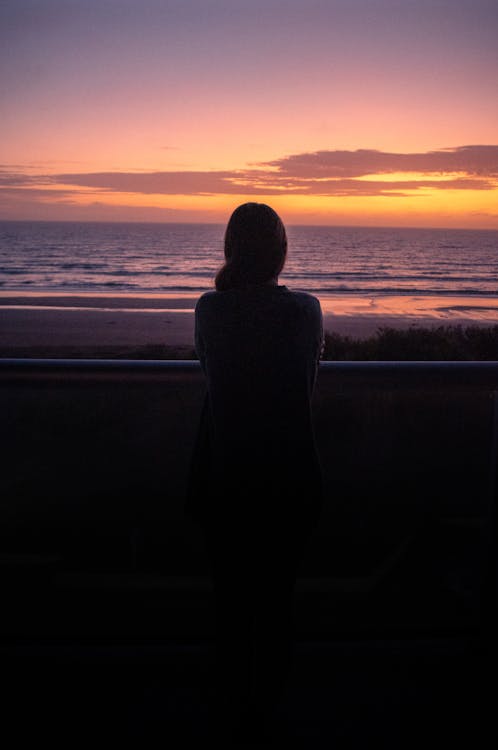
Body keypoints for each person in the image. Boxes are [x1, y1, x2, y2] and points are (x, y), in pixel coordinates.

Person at [186, 202, 324, 741]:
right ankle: (270, 714)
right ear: (282, 252)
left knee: (231, 607)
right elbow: (306, 383)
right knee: (277, 606)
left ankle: (234, 713)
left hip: (224, 477)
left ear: (230, 250)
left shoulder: (209, 309)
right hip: (291, 478)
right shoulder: (305, 311)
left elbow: (209, 370)